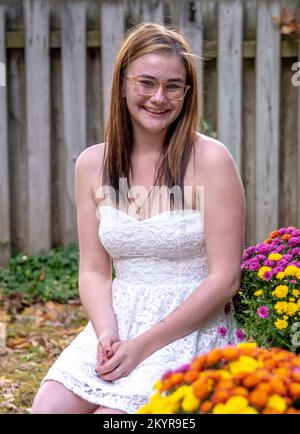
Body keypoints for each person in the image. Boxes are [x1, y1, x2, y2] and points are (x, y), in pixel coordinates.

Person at [32, 22, 245, 414]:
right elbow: (95, 271)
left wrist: (145, 346)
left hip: (190, 327)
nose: (159, 98)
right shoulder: (93, 164)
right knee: (49, 408)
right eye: (146, 82)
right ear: (123, 83)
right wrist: (107, 331)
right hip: (119, 321)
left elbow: (225, 278)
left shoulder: (212, 161)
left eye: (173, 86)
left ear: (187, 92)